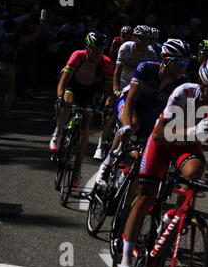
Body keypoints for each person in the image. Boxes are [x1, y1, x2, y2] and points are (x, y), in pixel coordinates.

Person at [116, 57, 208, 267]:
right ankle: (126, 260)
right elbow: (159, 136)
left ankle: (175, 215)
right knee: (146, 196)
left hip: (185, 147)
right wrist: (194, 132)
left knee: (196, 170)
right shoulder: (184, 92)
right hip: (162, 143)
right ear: (204, 86)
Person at [95, 39, 191, 186]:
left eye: (185, 63)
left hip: (152, 112)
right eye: (178, 62)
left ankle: (127, 175)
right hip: (129, 103)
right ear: (165, 59)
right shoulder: (146, 68)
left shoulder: (182, 82)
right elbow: (131, 100)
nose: (182, 67)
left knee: (146, 151)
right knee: (132, 125)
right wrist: (126, 125)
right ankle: (107, 163)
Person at [49, 32, 114, 188]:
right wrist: (59, 97)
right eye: (95, 49)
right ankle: (57, 133)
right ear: (87, 47)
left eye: (101, 49)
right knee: (67, 102)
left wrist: (107, 106)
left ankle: (77, 171)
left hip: (90, 91)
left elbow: (109, 90)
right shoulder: (77, 56)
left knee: (85, 128)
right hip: (73, 85)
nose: (98, 53)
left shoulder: (106, 63)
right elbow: (63, 82)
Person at [94, 25, 157, 160]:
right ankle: (100, 145)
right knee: (110, 113)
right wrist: (116, 90)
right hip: (122, 82)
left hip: (137, 86)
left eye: (147, 39)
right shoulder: (126, 48)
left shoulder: (151, 54)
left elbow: (150, 78)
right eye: (142, 38)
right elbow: (116, 72)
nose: (145, 41)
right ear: (135, 38)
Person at [0, 18, 20, 119]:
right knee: (9, 90)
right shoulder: (16, 38)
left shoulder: (2, 37)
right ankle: (6, 112)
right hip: (9, 65)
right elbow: (32, 38)